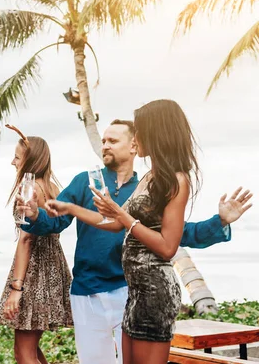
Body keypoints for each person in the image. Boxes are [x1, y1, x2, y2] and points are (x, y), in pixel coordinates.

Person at [19, 118, 252, 364]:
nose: (105, 145)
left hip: (130, 292)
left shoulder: (149, 187)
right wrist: (35, 214)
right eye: (104, 140)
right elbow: (56, 222)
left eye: (113, 140)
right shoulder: (83, 181)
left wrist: (220, 221)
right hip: (86, 291)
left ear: (133, 146)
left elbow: (179, 233)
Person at [0, 125, 72, 364]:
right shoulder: (53, 187)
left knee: (23, 352)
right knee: (32, 349)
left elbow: (26, 238)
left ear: (29, 159)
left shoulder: (29, 188)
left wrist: (17, 289)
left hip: (33, 271)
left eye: (16, 157)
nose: (12, 162)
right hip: (53, 267)